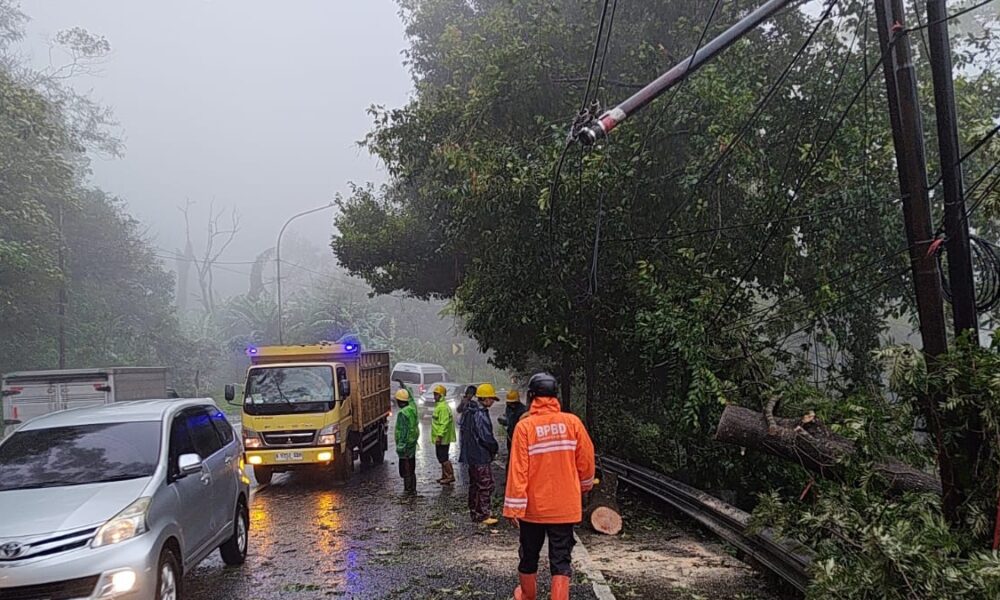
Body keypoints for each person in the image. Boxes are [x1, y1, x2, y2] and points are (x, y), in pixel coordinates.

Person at [503, 373, 595, 600]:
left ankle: (526, 595)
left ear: (531, 396)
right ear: (555, 397)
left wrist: (513, 507)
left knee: (529, 555)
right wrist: (584, 487)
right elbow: (586, 462)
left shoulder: (525, 427)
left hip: (533, 509)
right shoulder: (573, 423)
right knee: (561, 559)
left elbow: (518, 470)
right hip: (565, 508)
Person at [459, 382, 500, 524]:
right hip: (481, 454)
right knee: (485, 484)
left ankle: (475, 512)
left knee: (475, 484)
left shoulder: (469, 410)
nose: (493, 402)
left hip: (471, 454)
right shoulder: (480, 413)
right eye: (492, 399)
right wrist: (494, 447)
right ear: (486, 398)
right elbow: (485, 436)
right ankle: (483, 514)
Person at [394, 386, 419, 494]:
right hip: (412, 444)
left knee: (405, 469)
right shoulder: (412, 409)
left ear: (399, 401)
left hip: (405, 447)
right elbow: (412, 400)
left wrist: (401, 447)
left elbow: (403, 432)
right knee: (411, 467)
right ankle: (412, 488)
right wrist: (405, 388)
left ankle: (408, 490)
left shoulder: (402, 414)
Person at [431, 383, 457, 485]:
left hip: (442, 438)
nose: (434, 396)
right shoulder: (440, 406)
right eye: (434, 394)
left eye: (436, 394)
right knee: (441, 456)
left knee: (443, 457)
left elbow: (444, 423)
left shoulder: (442, 408)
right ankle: (445, 476)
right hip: (442, 437)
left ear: (441, 395)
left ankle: (450, 476)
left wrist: (439, 436)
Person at [497, 389, 527, 454]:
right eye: (509, 402)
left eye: (513, 403)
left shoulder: (523, 411)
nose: (511, 404)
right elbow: (509, 420)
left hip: (519, 438)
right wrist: (504, 421)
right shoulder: (508, 408)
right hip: (510, 436)